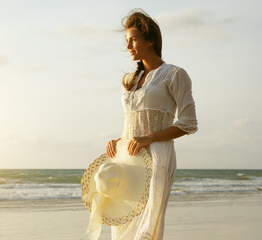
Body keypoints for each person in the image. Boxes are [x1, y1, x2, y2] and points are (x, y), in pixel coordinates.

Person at [105, 9, 198, 240]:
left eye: (133, 40)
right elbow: (132, 122)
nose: (128, 47)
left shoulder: (175, 74)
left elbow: (189, 123)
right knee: (123, 223)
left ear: (151, 40)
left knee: (146, 224)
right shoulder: (131, 80)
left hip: (157, 156)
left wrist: (149, 138)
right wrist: (120, 141)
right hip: (128, 156)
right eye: (127, 41)